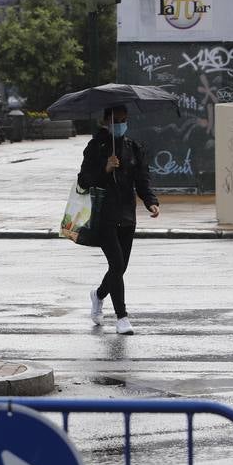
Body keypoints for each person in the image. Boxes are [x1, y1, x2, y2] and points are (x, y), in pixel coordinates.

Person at [78, 104, 160, 335]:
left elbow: (142, 178)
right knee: (116, 264)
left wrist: (150, 201)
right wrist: (105, 168)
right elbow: (84, 180)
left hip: (127, 214)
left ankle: (99, 294)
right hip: (104, 214)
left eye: (124, 120)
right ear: (105, 121)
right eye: (115, 120)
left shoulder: (133, 147)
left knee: (121, 267)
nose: (120, 125)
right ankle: (122, 317)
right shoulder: (95, 147)